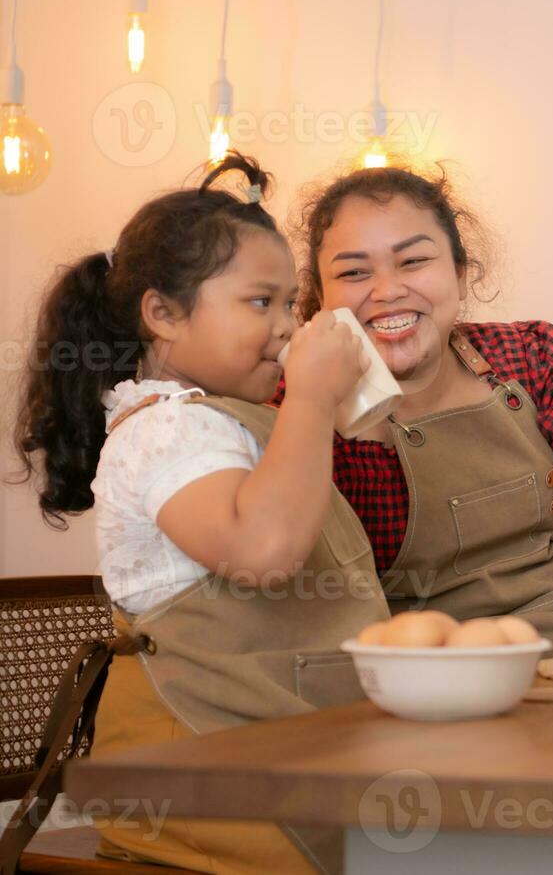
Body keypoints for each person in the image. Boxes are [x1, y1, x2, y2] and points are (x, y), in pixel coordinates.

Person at [9, 154, 382, 872]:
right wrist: (310, 398)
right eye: (259, 302)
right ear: (163, 314)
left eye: (290, 303)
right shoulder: (163, 430)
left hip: (282, 743)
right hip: (196, 764)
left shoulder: (228, 421)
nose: (285, 327)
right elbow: (264, 553)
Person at [284, 165, 553, 653]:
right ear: (319, 298)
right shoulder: (300, 408)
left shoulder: (522, 357)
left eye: (413, 261)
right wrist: (310, 402)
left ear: (461, 276)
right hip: (435, 669)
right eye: (354, 272)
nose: (387, 290)